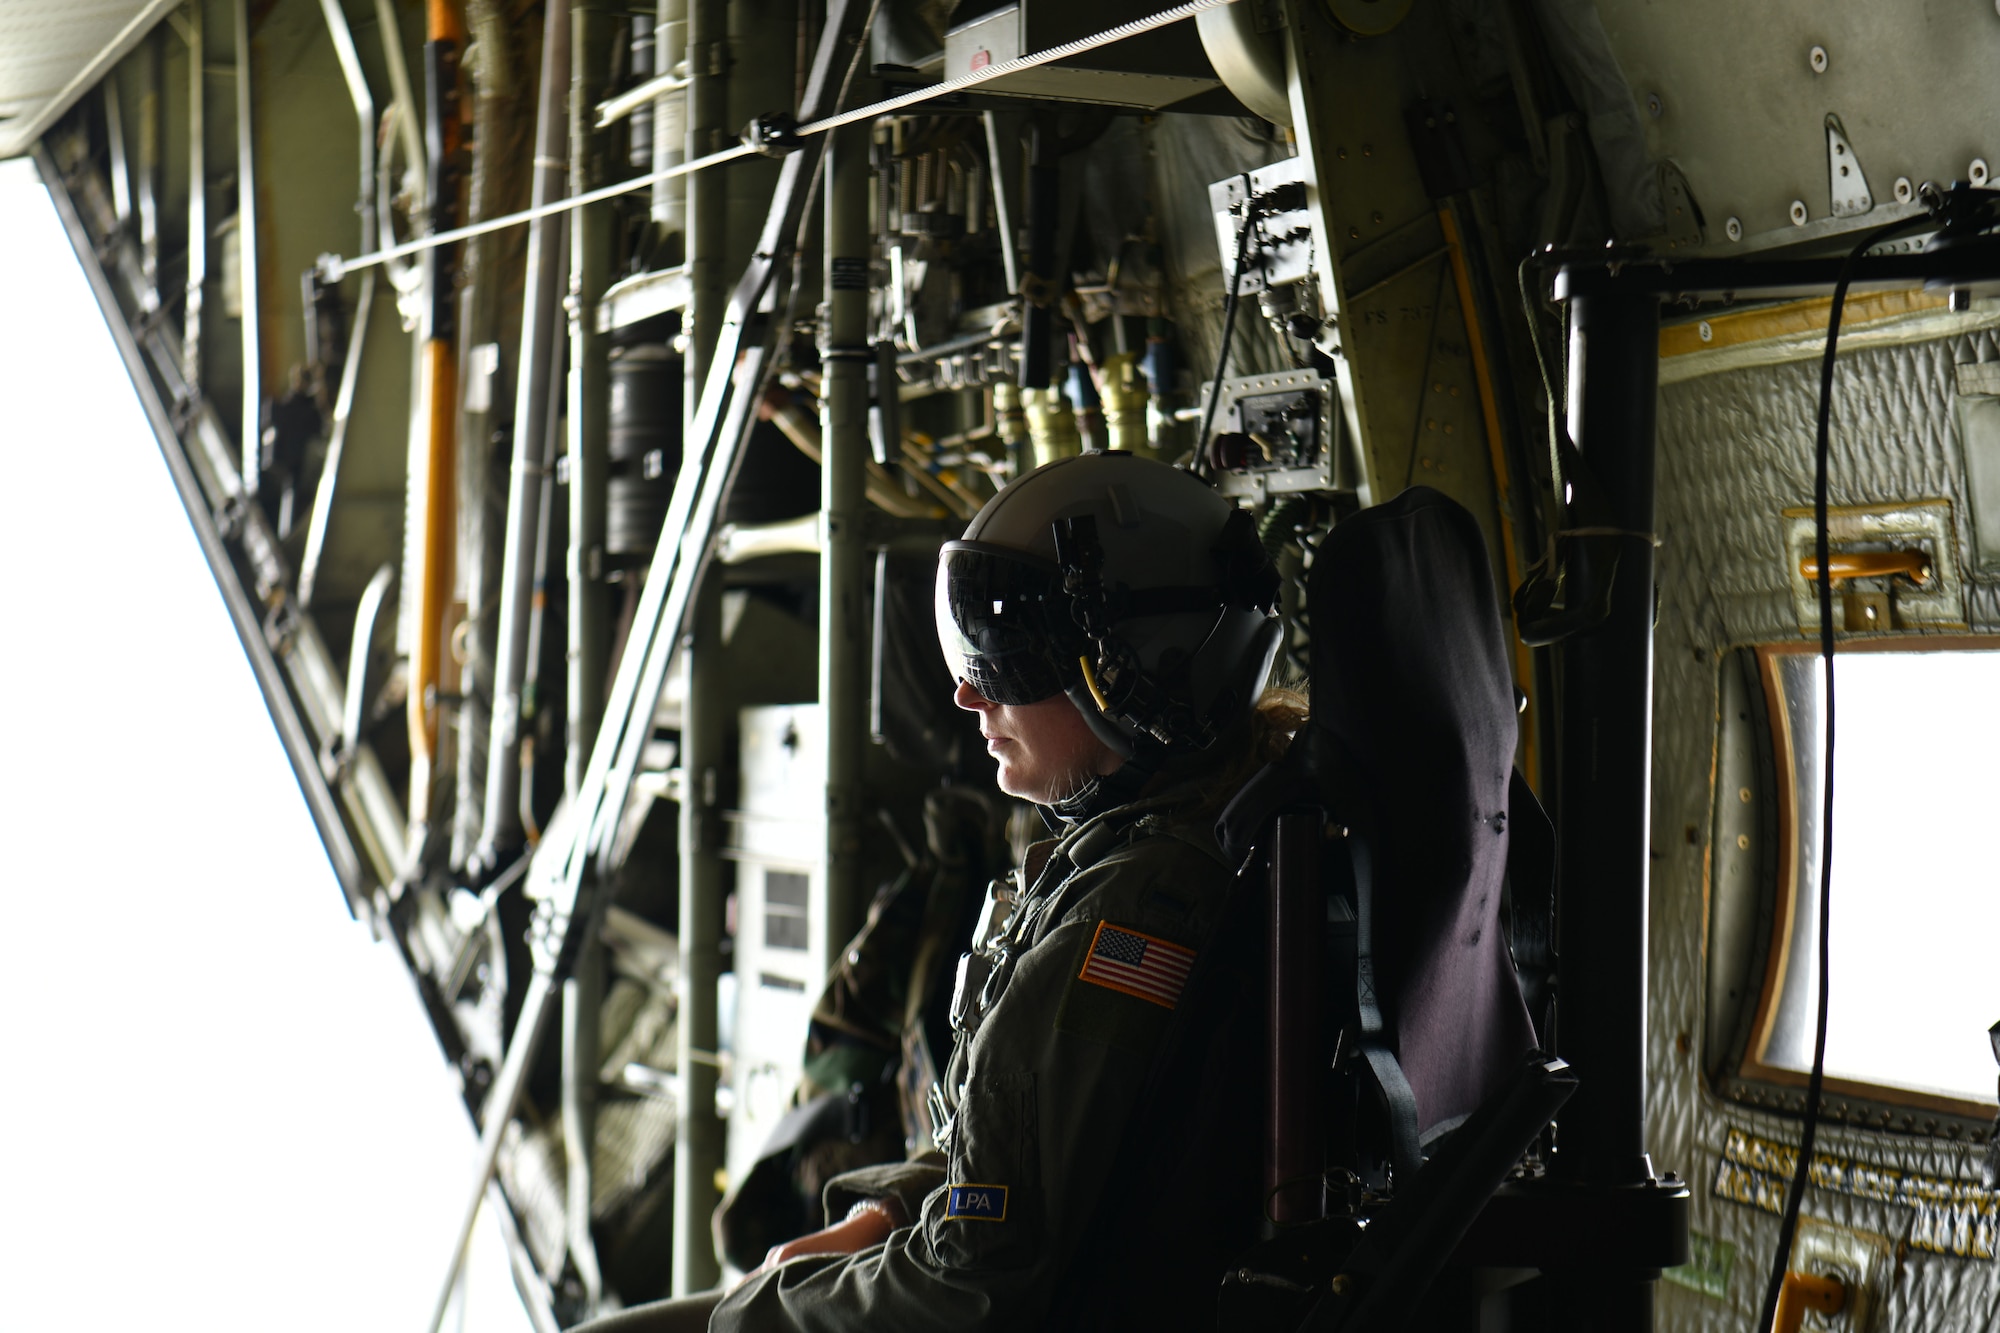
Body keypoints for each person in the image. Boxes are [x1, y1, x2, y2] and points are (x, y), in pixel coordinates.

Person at [580, 451, 1291, 1331]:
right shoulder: (1170, 841)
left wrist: (757, 1316)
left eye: (1004, 659)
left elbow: (970, 1289)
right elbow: (1028, 1154)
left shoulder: (1133, 913)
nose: (964, 690)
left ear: (1136, 670)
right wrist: (884, 1208)